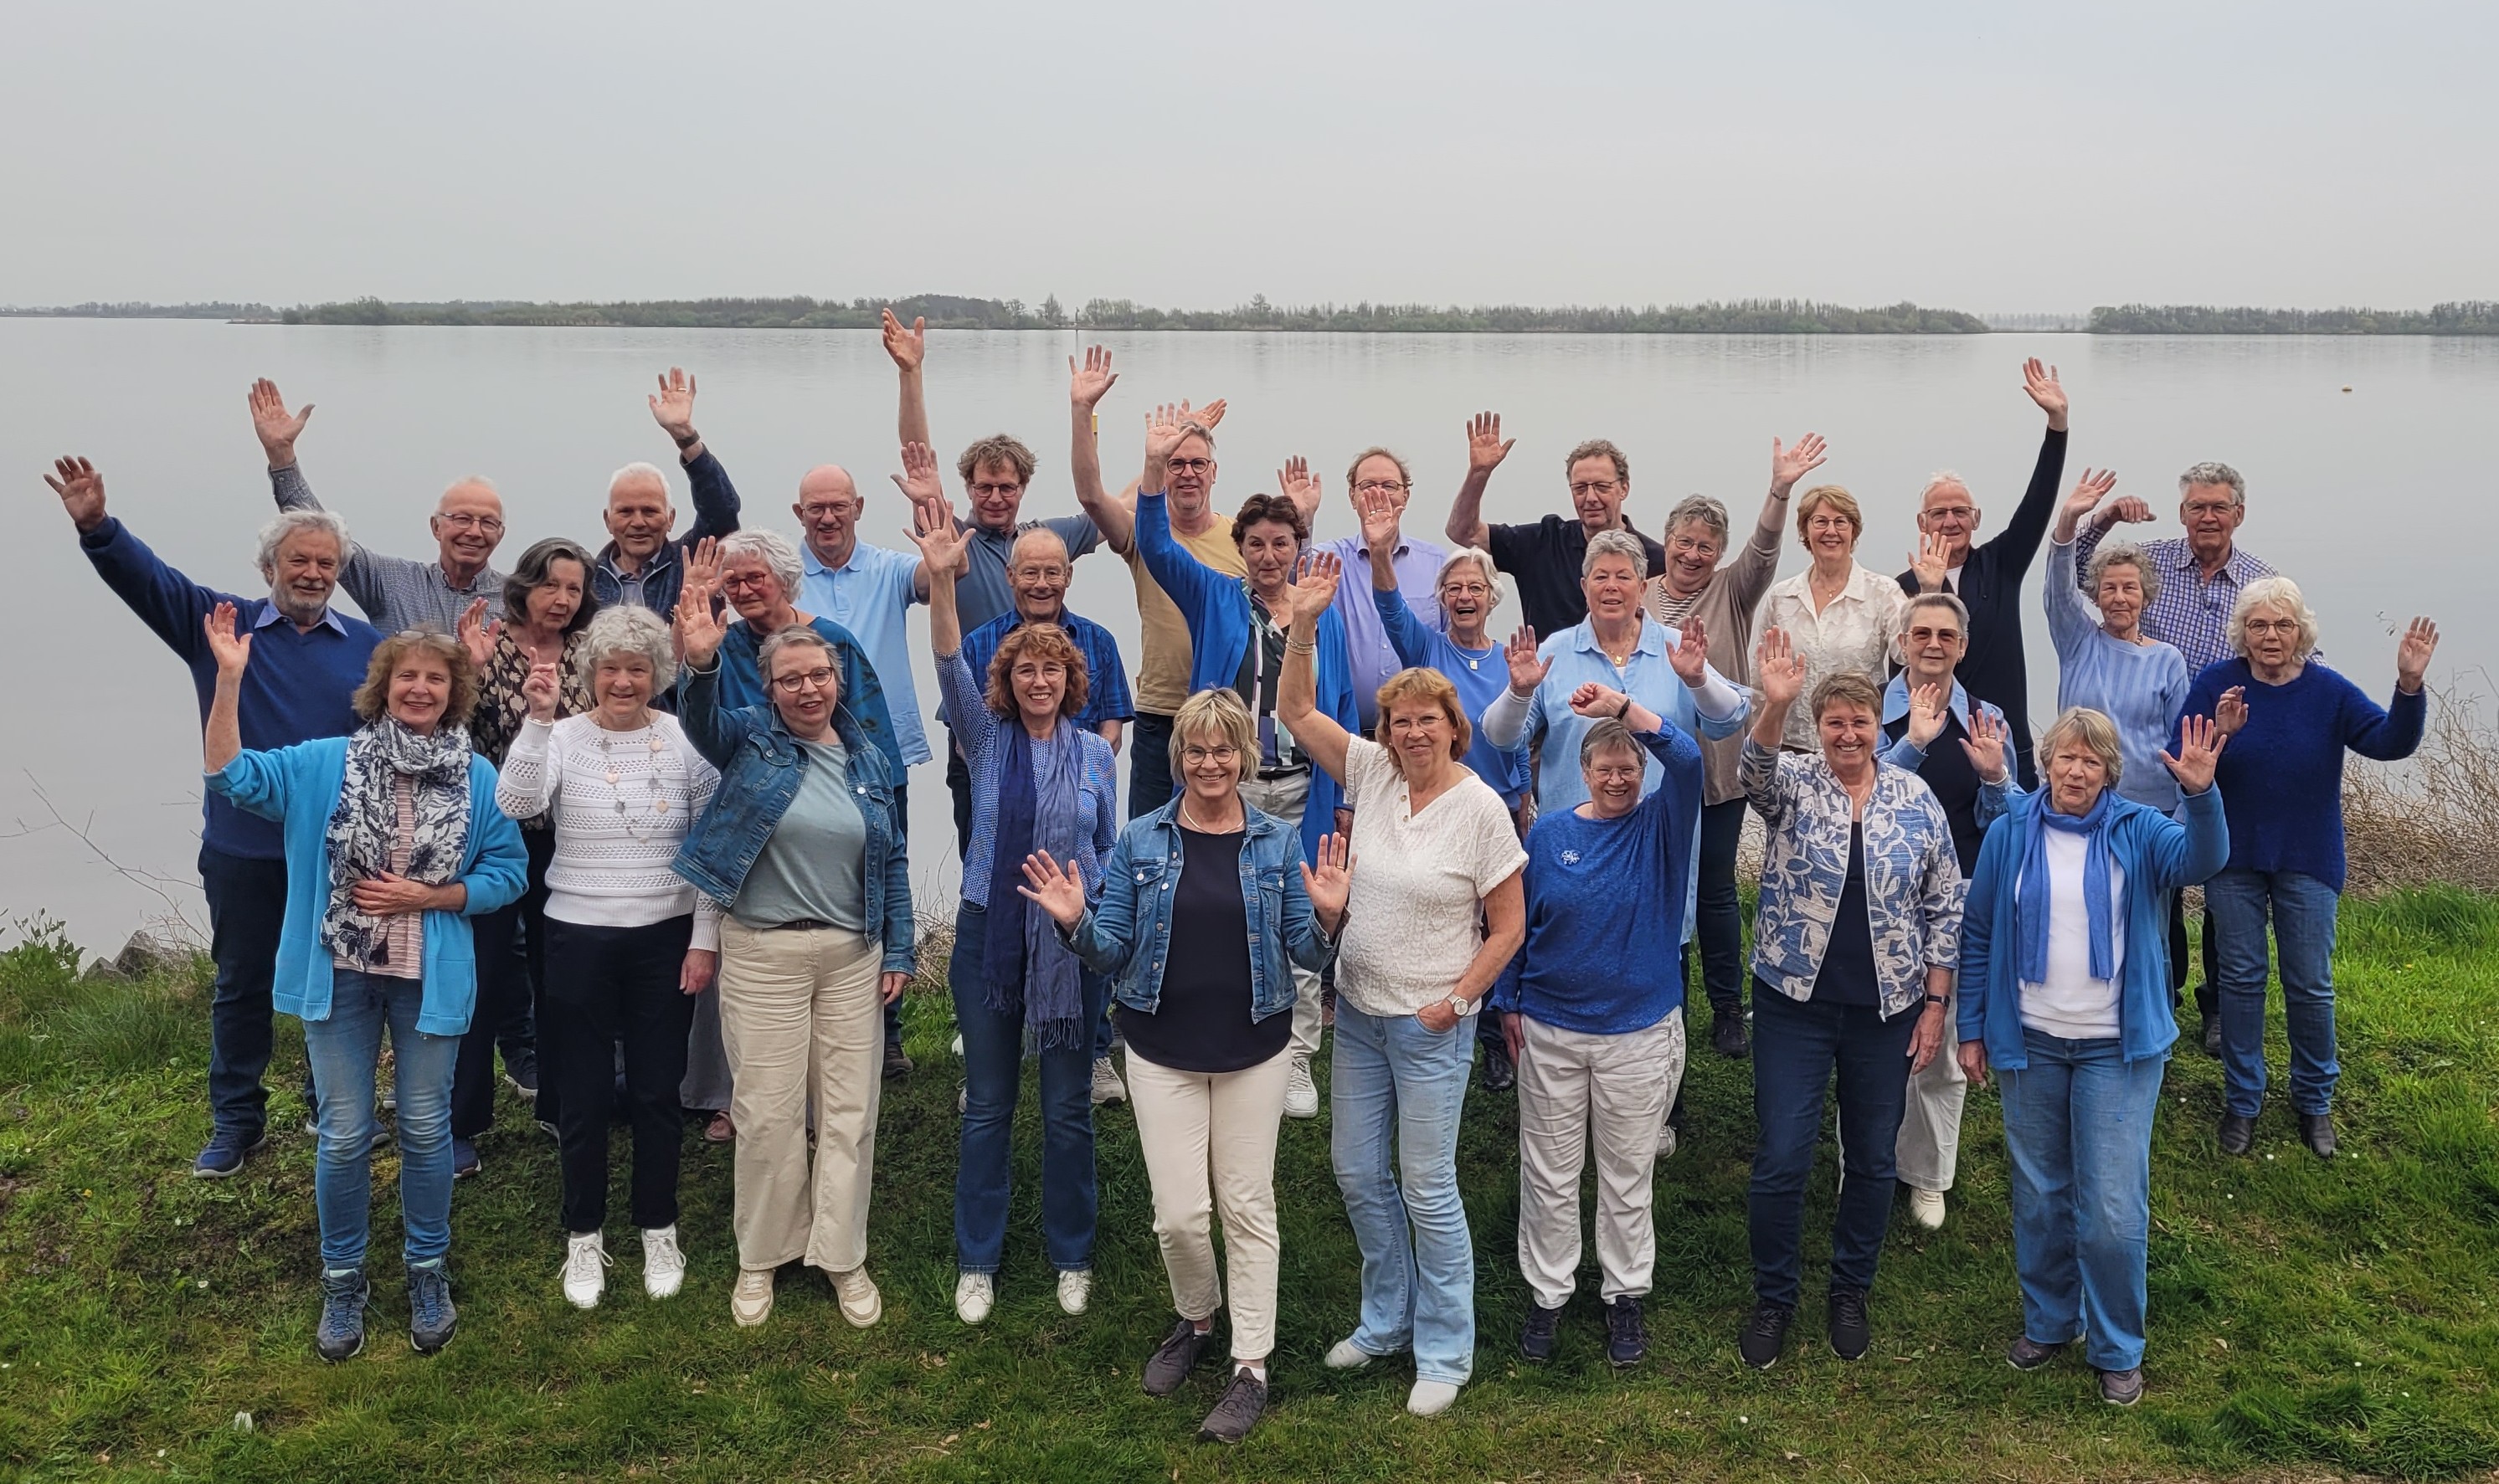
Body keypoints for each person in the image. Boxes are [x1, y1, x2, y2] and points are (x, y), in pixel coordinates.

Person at [1018, 687, 1350, 1445]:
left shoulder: (1274, 840)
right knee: (1178, 1215)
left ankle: (1250, 1366)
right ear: (1179, 758)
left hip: (1252, 1050)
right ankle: (1196, 1315)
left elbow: (1304, 952)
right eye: (1195, 749)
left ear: (1243, 756)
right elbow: (1113, 949)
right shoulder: (1140, 839)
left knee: (1246, 1206)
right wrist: (1075, 922)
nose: (1209, 761)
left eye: (1223, 748)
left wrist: (1331, 915)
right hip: (1158, 1050)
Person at [200, 609, 526, 1361]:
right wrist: (228, 681)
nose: (419, 688)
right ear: (382, 687)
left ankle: (426, 1269)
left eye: (435, 678)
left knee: (424, 1126)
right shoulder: (325, 762)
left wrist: (430, 898)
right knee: (344, 1133)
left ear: (455, 692)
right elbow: (230, 776)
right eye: (406, 675)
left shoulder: (478, 775)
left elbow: (507, 873)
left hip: (427, 977)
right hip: (339, 975)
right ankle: (343, 1280)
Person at [45, 456, 380, 1178]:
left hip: (335, 853)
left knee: (340, 980)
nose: (314, 572)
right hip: (245, 847)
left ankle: (333, 1103)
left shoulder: (368, 649)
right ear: (270, 566)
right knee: (241, 983)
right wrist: (99, 526)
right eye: (300, 559)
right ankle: (237, 1120)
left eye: (327, 562)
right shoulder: (219, 625)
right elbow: (149, 583)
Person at [1273, 557, 1527, 1418]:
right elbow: (1295, 710)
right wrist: (1305, 623)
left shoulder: (1482, 808)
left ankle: (1446, 1349)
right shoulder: (1372, 772)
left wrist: (1457, 1003)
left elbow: (1509, 929)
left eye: (1427, 720)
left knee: (1427, 1186)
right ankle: (1385, 1319)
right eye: (1399, 720)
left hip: (1431, 1025)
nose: (1412, 733)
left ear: (1454, 727)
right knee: (1355, 1174)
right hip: (1361, 1019)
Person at [1959, 706, 2229, 1408]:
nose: (2074, 771)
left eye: (2089, 761)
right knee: (2041, 1194)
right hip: (2030, 1041)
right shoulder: (2011, 830)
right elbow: (1979, 930)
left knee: (2109, 1206)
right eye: (2063, 758)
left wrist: (2201, 794)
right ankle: (2049, 1320)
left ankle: (2115, 1347)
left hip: (2118, 1046)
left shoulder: (2140, 830)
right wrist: (1970, 1027)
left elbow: (2203, 860)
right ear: (2044, 763)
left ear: (2109, 771)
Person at [670, 563, 915, 1332]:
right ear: (769, 688)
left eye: (818, 676)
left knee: (849, 1112)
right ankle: (762, 1256)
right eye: (790, 679)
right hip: (764, 952)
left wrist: (900, 949)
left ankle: (841, 1254)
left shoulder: (870, 759)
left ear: (836, 680)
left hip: (851, 956)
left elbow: (895, 858)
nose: (807, 689)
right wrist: (703, 661)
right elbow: (701, 721)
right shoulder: (750, 739)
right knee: (769, 1112)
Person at [909, 478, 1122, 1327]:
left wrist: (1091, 914)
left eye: (1054, 669)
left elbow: (1105, 850)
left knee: (1068, 1109)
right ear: (1010, 680)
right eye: (1026, 668)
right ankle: (979, 1259)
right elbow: (949, 659)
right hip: (990, 939)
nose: (1040, 678)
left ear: (1074, 682)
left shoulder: (1098, 758)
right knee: (990, 1105)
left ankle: (1072, 1254)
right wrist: (944, 579)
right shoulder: (985, 737)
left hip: (1070, 943)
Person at [1737, 630, 1962, 1371]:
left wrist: (1934, 1002)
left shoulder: (1914, 797)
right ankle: (1774, 1295)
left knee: (1869, 1157)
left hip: (1886, 1011)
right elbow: (1754, 771)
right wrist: (1772, 705)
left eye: (1859, 722)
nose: (1846, 733)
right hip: (1791, 1003)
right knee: (1780, 1156)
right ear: (1819, 726)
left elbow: (1943, 906)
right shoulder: (1795, 784)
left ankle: (1849, 1289)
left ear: (1878, 728)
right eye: (1833, 721)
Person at [496, 604, 721, 1310]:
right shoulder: (559, 735)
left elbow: (712, 845)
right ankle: (582, 1235)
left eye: (638, 668)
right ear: (588, 672)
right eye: (610, 668)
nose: (623, 681)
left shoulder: (688, 738)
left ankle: (658, 1224)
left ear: (659, 673)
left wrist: (704, 937)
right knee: (584, 1095)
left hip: (665, 936)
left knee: (657, 1091)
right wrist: (535, 718)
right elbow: (515, 800)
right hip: (576, 935)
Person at [1482, 531, 1747, 1131]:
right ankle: (1568, 1101)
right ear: (1583, 586)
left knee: (1657, 971)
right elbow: (1500, 737)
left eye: (1622, 576)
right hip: (1571, 853)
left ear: (1641, 586)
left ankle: (1659, 1113)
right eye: (1598, 576)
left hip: (1655, 849)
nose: (1610, 587)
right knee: (1565, 965)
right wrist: (1520, 689)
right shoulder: (1554, 650)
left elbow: (1729, 718)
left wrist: (1699, 677)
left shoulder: (1677, 647)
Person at [1134, 452, 1359, 1122]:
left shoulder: (1323, 614)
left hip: (1301, 787)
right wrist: (1152, 470)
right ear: (1240, 549)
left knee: (1304, 908)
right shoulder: (1214, 595)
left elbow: (1340, 706)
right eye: (1255, 543)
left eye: (1281, 543)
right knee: (1222, 909)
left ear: (1298, 548)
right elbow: (1152, 543)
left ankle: (1295, 1055)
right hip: (1225, 786)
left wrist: (1345, 795)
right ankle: (1227, 1032)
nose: (1267, 555)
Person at [2183, 582, 2436, 1160]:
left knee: (2309, 983)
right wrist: (2221, 733)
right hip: (2232, 855)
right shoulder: (2215, 685)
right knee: (2241, 981)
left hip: (2307, 855)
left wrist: (2408, 684)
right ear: (2241, 632)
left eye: (2282, 625)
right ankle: (2242, 1100)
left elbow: (2389, 741)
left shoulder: (2327, 691)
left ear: (2301, 632)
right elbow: (2187, 762)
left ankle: (2313, 1099)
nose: (2270, 636)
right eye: (2257, 625)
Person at [1494, 687, 1704, 1371]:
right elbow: (1517, 927)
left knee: (1625, 1172)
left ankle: (1623, 1295)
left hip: (1637, 1031)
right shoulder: (1549, 833)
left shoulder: (1660, 825)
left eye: (1629, 767)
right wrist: (1507, 1000)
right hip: (1550, 1027)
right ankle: (1549, 1294)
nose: (1617, 778)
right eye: (1604, 768)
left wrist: (1622, 708)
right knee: (1550, 1172)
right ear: (1582, 772)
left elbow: (1690, 756)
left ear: (1641, 774)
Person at [2073, 460, 2281, 1050]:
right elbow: (2079, 568)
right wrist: (2107, 514)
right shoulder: (2150, 562)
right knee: (2156, 888)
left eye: (2218, 506)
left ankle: (2216, 1007)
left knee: (2220, 882)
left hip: (2224, 752)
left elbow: (2287, 651)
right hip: (2157, 759)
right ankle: (2155, 995)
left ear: (2237, 514)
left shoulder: (2258, 581)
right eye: (2196, 506)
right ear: (2183, 511)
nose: (2207, 516)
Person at [1646, 434, 1830, 1058]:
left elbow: (1765, 547)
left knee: (1717, 891)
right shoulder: (1638, 596)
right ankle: (1659, 998)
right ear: (1665, 540)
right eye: (1684, 541)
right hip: (1649, 774)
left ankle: (1726, 1009)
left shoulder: (1732, 589)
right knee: (1657, 889)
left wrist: (1780, 488)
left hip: (1717, 771)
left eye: (1705, 545)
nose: (1693, 553)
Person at [954, 524, 1137, 1105]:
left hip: (1076, 798)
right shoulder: (982, 641)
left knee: (1081, 925)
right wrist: (1019, 772)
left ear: (1068, 575)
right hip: (999, 794)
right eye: (1028, 571)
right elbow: (967, 729)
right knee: (997, 922)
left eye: (1051, 570)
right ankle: (988, 1056)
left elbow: (1109, 723)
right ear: (1009, 576)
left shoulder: (1098, 641)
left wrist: (1074, 775)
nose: (1040, 582)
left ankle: (1092, 1050)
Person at [1357, 496, 1527, 1092]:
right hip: (1438, 806)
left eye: (1473, 587)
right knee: (1458, 922)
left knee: (1501, 923)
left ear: (1490, 597)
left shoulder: (1513, 659)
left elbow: (1521, 740)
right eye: (1452, 586)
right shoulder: (1426, 649)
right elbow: (1386, 605)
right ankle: (1465, 1028)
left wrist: (1525, 797)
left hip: (1498, 809)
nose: (1463, 596)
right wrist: (1380, 552)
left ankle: (1498, 1036)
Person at [792, 444, 938, 1080]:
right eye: (816, 509)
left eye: (838, 507)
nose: (828, 518)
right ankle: (815, 1028)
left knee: (885, 884)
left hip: (881, 756)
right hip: (803, 756)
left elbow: (938, 576)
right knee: (811, 887)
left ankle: (888, 1032)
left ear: (858, 508)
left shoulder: (887, 569)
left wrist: (930, 504)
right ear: (799, 513)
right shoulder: (784, 577)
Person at [451, 537, 598, 1169]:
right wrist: (469, 669)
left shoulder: (590, 654)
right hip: (489, 835)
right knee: (475, 975)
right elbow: (446, 733)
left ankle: (561, 1104)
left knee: (559, 975)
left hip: (565, 839)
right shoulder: (490, 642)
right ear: (524, 585)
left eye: (574, 588)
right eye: (551, 585)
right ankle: (459, 1120)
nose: (563, 599)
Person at [1876, 592, 2017, 1230]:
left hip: (1952, 901)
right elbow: (1857, 799)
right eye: (1920, 632)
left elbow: (2005, 826)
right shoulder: (1869, 709)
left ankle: (1927, 1176)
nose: (1932, 644)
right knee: (1875, 1042)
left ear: (1961, 646)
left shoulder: (1988, 720)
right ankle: (1868, 1161)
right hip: (1874, 898)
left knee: (1938, 1041)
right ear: (1901, 641)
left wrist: (1994, 778)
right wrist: (1910, 743)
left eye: (1945, 635)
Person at [1065, 347, 1237, 817]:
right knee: (1150, 841)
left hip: (1229, 713)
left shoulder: (1243, 538)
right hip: (1162, 712)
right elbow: (1090, 495)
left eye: (1198, 464)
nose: (1187, 474)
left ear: (1214, 473)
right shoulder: (1143, 534)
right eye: (1175, 464)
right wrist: (1083, 411)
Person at [1894, 358, 2073, 788]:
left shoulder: (2001, 565)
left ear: (1976, 519)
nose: (1950, 521)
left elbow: (2039, 501)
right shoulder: (1900, 589)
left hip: (2005, 742)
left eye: (1961, 512)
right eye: (1939, 513)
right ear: (1922, 523)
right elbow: (1901, 664)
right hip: (1932, 741)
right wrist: (1929, 590)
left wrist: (2057, 425)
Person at [252, 377, 511, 629]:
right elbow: (317, 532)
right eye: (462, 519)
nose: (474, 532)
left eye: (488, 523)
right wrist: (281, 455)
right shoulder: (393, 583)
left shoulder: (518, 599)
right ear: (436, 527)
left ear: (500, 534)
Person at [699, 531, 902, 785]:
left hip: (830, 788)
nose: (744, 590)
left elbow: (873, 734)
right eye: (732, 582)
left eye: (755, 578)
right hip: (749, 797)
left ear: (784, 579)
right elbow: (690, 713)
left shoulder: (832, 640)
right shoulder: (723, 646)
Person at [1443, 420, 1667, 635]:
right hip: (1548, 672)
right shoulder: (1542, 543)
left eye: (1601, 487)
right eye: (1580, 488)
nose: (1590, 498)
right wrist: (1479, 474)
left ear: (1624, 488)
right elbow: (1462, 532)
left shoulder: (1656, 560)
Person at [1757, 485, 1916, 750]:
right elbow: (1759, 678)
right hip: (1792, 749)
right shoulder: (1782, 597)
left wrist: (1931, 591)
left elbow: (1911, 654)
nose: (1831, 531)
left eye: (1840, 522)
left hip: (1857, 745)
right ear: (1805, 530)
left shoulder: (1882, 592)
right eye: (1820, 521)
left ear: (1853, 530)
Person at [1304, 445, 1447, 732]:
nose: (1378, 494)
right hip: (1344, 735)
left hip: (1417, 736)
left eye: (1389, 486)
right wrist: (1303, 517)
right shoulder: (1327, 560)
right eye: (1368, 485)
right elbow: (1287, 583)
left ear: (1405, 495)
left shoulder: (1439, 565)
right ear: (1352, 496)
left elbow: (1451, 648)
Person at [591, 367, 742, 622]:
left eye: (650, 511)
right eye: (625, 511)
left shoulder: (692, 562)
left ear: (670, 518)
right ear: (608, 520)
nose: (638, 522)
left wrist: (685, 436)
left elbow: (722, 510)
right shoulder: (586, 579)